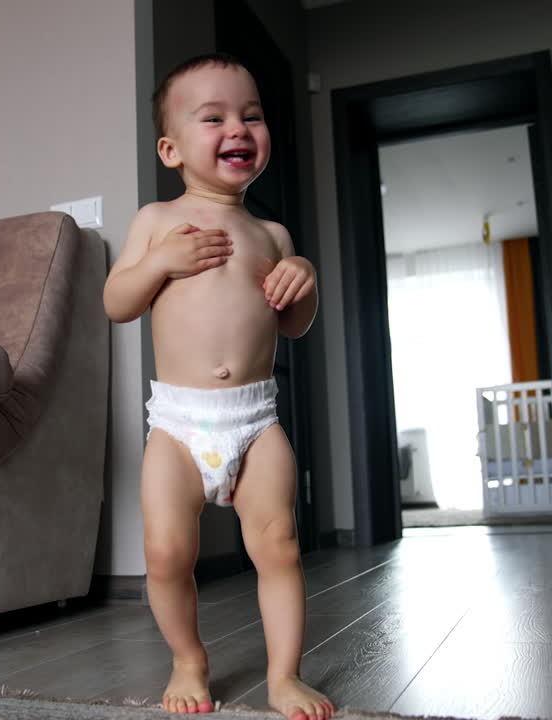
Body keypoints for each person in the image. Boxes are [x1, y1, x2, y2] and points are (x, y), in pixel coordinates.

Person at [102, 53, 333, 720]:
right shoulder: (155, 221)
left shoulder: (272, 233)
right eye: (215, 117)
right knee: (167, 553)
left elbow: (294, 326)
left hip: (255, 421)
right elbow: (117, 302)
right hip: (177, 425)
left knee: (279, 547)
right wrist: (161, 262)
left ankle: (285, 676)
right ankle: (188, 658)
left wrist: (304, 282)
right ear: (172, 148)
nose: (238, 127)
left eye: (251, 116)